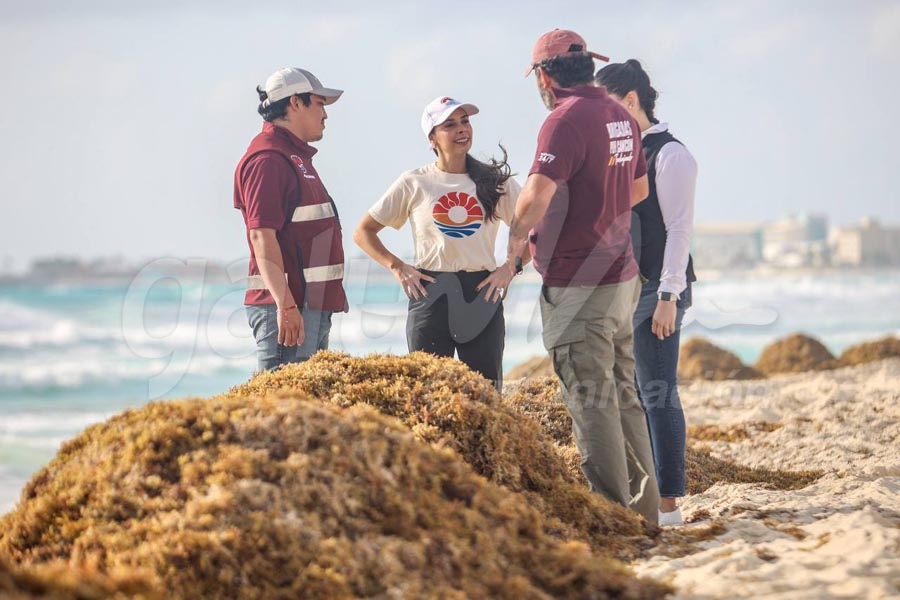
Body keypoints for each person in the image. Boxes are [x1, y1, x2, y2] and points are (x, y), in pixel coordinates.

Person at [497, 29, 660, 524]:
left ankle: (615, 514)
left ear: (544, 77)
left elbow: (535, 197)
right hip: (621, 276)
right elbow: (637, 191)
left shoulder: (562, 121)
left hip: (578, 283)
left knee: (591, 400)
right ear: (590, 65)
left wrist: (517, 243)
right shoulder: (619, 114)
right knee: (622, 393)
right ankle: (646, 510)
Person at [354, 96, 525, 391]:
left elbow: (537, 231)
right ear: (432, 138)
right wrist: (397, 267)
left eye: (465, 122)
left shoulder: (496, 182)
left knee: (485, 395)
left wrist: (510, 268)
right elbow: (364, 232)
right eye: (450, 125)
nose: (462, 130)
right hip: (430, 292)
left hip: (481, 292)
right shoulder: (415, 182)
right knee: (427, 394)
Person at [596, 59, 698, 526]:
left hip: (659, 288)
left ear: (631, 101)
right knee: (632, 393)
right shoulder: (621, 152)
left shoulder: (672, 154)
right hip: (624, 287)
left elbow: (679, 230)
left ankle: (669, 504)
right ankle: (646, 493)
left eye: (608, 105)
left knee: (658, 391)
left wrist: (669, 296)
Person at [233, 67, 348, 372]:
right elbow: (262, 236)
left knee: (305, 408)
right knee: (280, 409)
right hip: (287, 307)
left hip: (308, 307)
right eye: (320, 104)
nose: (326, 114)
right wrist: (285, 305)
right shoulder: (268, 160)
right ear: (295, 103)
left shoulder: (292, 156)